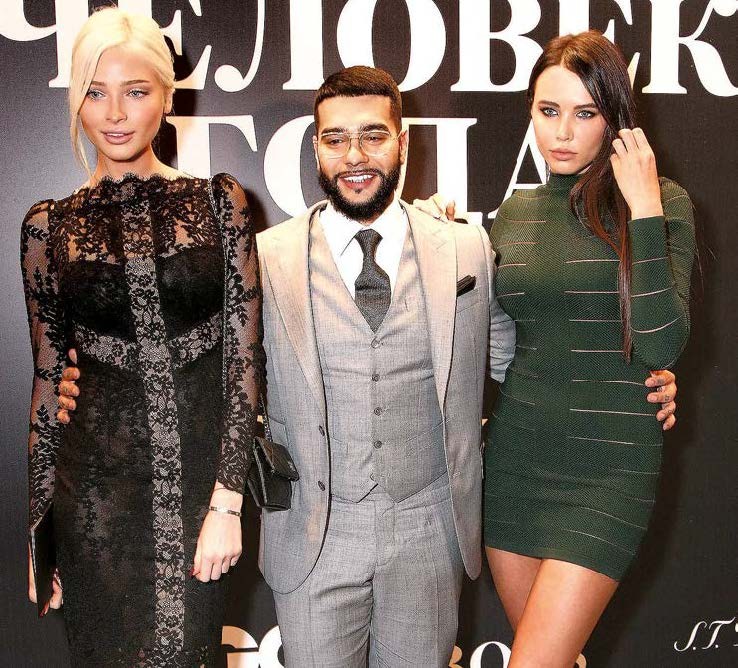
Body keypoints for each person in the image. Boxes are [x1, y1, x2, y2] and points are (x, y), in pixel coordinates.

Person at [422, 30, 694, 667]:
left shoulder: (665, 203)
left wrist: (644, 206)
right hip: (517, 461)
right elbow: (488, 337)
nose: (563, 132)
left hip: (611, 468)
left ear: (614, 118)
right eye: (549, 111)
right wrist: (438, 240)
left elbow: (661, 340)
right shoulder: (515, 215)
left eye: (585, 113)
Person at [21, 8, 262, 666]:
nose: (115, 113)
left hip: (197, 491)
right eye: (95, 93)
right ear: (76, 101)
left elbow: (243, 360)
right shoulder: (48, 226)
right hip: (92, 500)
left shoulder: (219, 203)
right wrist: (41, 533)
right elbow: (47, 380)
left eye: (135, 91)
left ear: (166, 95)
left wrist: (227, 500)